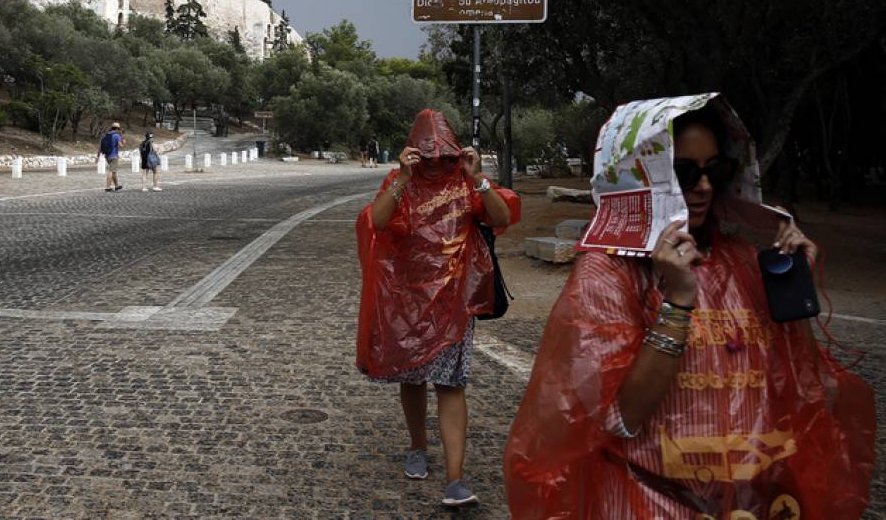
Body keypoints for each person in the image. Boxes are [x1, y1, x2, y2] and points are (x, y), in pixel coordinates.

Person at [503, 104, 875, 519]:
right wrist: (678, 301)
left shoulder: (741, 259)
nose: (703, 187)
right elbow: (621, 417)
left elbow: (802, 382)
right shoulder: (609, 272)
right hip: (648, 502)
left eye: (715, 171)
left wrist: (793, 288)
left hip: (752, 505)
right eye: (684, 173)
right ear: (642, 178)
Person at [355, 109, 520, 507]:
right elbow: (376, 222)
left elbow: (501, 216)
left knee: (451, 383)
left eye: (441, 154)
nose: (434, 162)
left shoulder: (466, 183)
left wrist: (477, 176)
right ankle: (417, 445)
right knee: (412, 378)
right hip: (407, 301)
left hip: (454, 303)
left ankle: (455, 478)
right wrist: (403, 178)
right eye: (426, 155)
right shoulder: (401, 182)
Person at [97, 122, 123, 192]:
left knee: (114, 171)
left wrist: (98, 156)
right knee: (111, 171)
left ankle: (116, 185)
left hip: (107, 156)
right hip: (114, 156)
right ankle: (107, 187)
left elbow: (100, 147)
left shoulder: (105, 135)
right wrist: (123, 142)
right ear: (117, 129)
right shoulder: (117, 136)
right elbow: (121, 146)